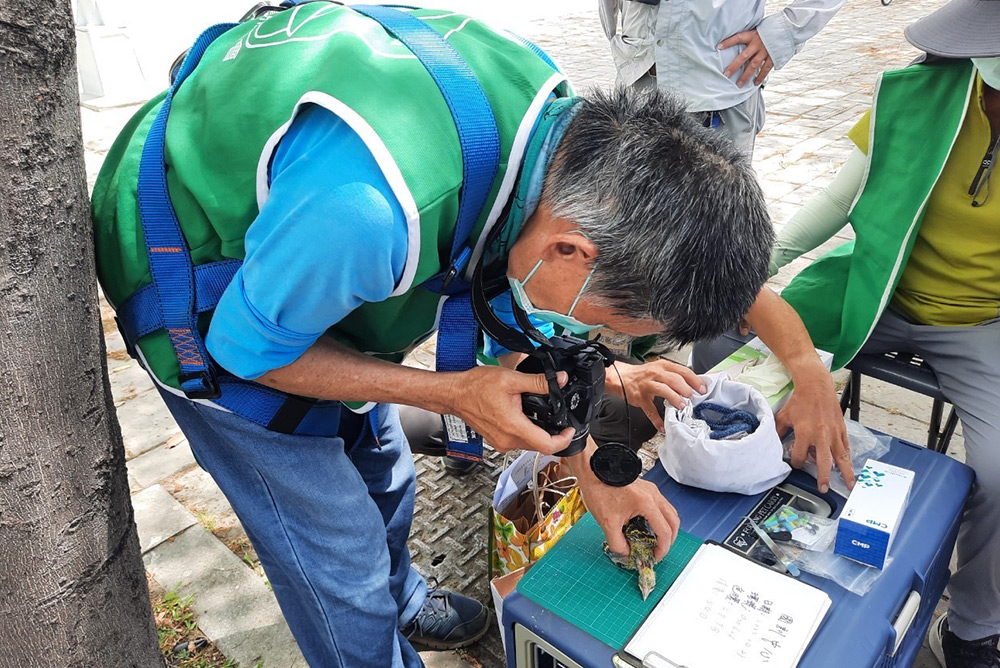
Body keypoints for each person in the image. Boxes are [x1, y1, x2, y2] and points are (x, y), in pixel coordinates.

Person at [91, 5, 775, 666]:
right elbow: (246, 349)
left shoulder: (565, 145)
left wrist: (593, 465)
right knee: (340, 558)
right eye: (601, 324)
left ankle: (401, 602)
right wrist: (455, 394)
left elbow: (511, 311)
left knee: (385, 471)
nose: (578, 335)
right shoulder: (368, 212)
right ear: (571, 251)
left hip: (307, 252)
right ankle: (364, 636)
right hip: (200, 285)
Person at [769, 2, 1000, 666]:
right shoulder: (915, 92)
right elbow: (841, 199)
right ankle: (753, 527)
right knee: (736, 357)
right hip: (876, 290)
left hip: (980, 322)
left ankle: (973, 627)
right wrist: (765, 260)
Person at [598, 0, 845, 153]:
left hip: (718, 93)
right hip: (639, 83)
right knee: (638, 223)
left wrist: (784, 32)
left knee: (716, 226)